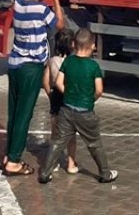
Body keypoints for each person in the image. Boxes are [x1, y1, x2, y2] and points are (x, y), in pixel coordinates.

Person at [1, 0, 64, 177]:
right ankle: (14, 161)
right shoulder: (41, 9)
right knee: (24, 115)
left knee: (14, 112)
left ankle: (9, 154)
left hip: (15, 64)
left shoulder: (18, 2)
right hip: (31, 67)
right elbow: (60, 25)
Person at [38, 28, 117, 184]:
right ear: (92, 46)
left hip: (67, 110)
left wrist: (68, 94)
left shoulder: (68, 61)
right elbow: (99, 90)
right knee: (94, 143)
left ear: (74, 44)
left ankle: (45, 173)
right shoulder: (93, 66)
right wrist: (89, 99)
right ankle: (105, 173)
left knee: (58, 142)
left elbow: (59, 83)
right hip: (85, 111)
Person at [43, 27, 78, 176]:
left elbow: (45, 82)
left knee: (55, 134)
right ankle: (71, 164)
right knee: (71, 135)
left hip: (56, 99)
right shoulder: (74, 62)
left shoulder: (52, 61)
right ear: (73, 44)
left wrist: (50, 94)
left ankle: (54, 163)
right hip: (70, 101)